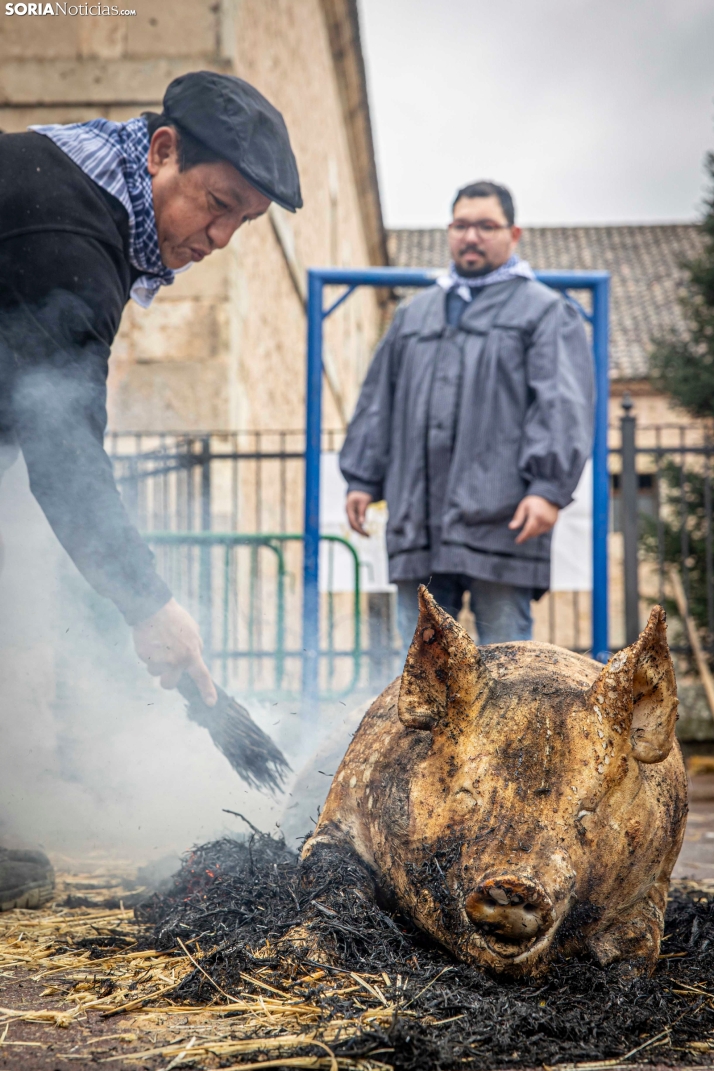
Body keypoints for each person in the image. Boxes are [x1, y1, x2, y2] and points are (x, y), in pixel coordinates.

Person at [0, 71, 302, 908]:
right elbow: (63, 446)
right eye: (218, 204)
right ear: (162, 152)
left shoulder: (76, 197)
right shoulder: (68, 234)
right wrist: (148, 602)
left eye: (244, 221)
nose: (222, 237)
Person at [340, 180, 593, 657]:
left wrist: (547, 488)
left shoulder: (544, 312)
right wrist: (363, 477)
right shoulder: (414, 315)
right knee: (421, 674)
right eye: (461, 225)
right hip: (419, 522)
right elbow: (378, 400)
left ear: (513, 234)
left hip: (504, 522)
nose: (471, 236)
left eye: (486, 226)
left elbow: (562, 405)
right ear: (449, 230)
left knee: (510, 672)